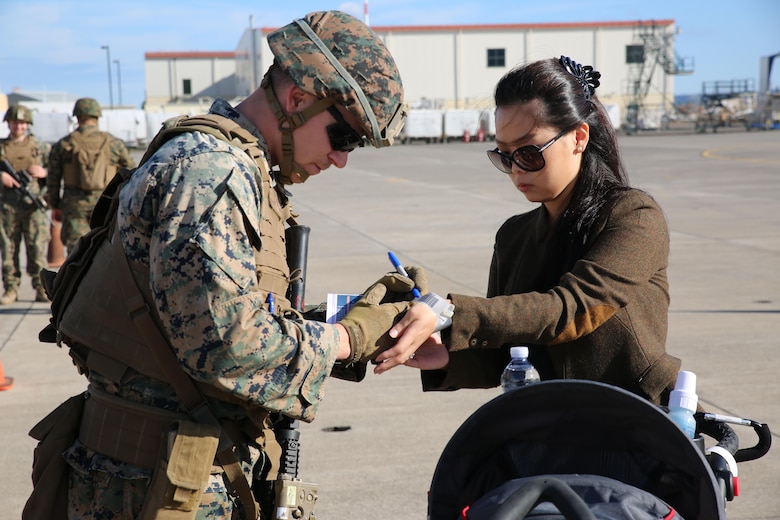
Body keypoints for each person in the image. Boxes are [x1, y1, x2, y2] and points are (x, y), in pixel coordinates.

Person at [26, 10, 410, 520]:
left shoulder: (237, 165)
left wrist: (362, 317)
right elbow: (226, 346)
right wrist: (348, 339)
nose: (342, 159)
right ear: (297, 98)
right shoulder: (211, 172)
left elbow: (215, 312)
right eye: (345, 138)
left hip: (168, 469)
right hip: (150, 484)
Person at [377, 56, 683, 406]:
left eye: (529, 153)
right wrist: (446, 357)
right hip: (547, 427)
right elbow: (504, 352)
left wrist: (448, 311)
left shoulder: (634, 216)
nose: (516, 170)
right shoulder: (513, 235)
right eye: (505, 156)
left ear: (578, 138)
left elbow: (570, 311)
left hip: (636, 421)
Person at [46, 97, 134, 253]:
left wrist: (55, 205)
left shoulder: (64, 144)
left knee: (76, 253)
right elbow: (133, 173)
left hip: (74, 206)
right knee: (106, 251)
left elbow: (53, 178)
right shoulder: (114, 143)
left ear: (77, 117)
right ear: (97, 116)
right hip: (106, 204)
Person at [0, 104, 51, 304]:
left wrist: (44, 172)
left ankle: (41, 289)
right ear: (8, 124)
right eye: (15, 122)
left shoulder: (41, 147)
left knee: (37, 249)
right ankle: (11, 289)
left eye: (22, 123)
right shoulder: (1, 147)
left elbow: (56, 173)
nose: (18, 126)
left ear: (27, 124)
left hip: (33, 206)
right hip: (7, 206)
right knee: (8, 248)